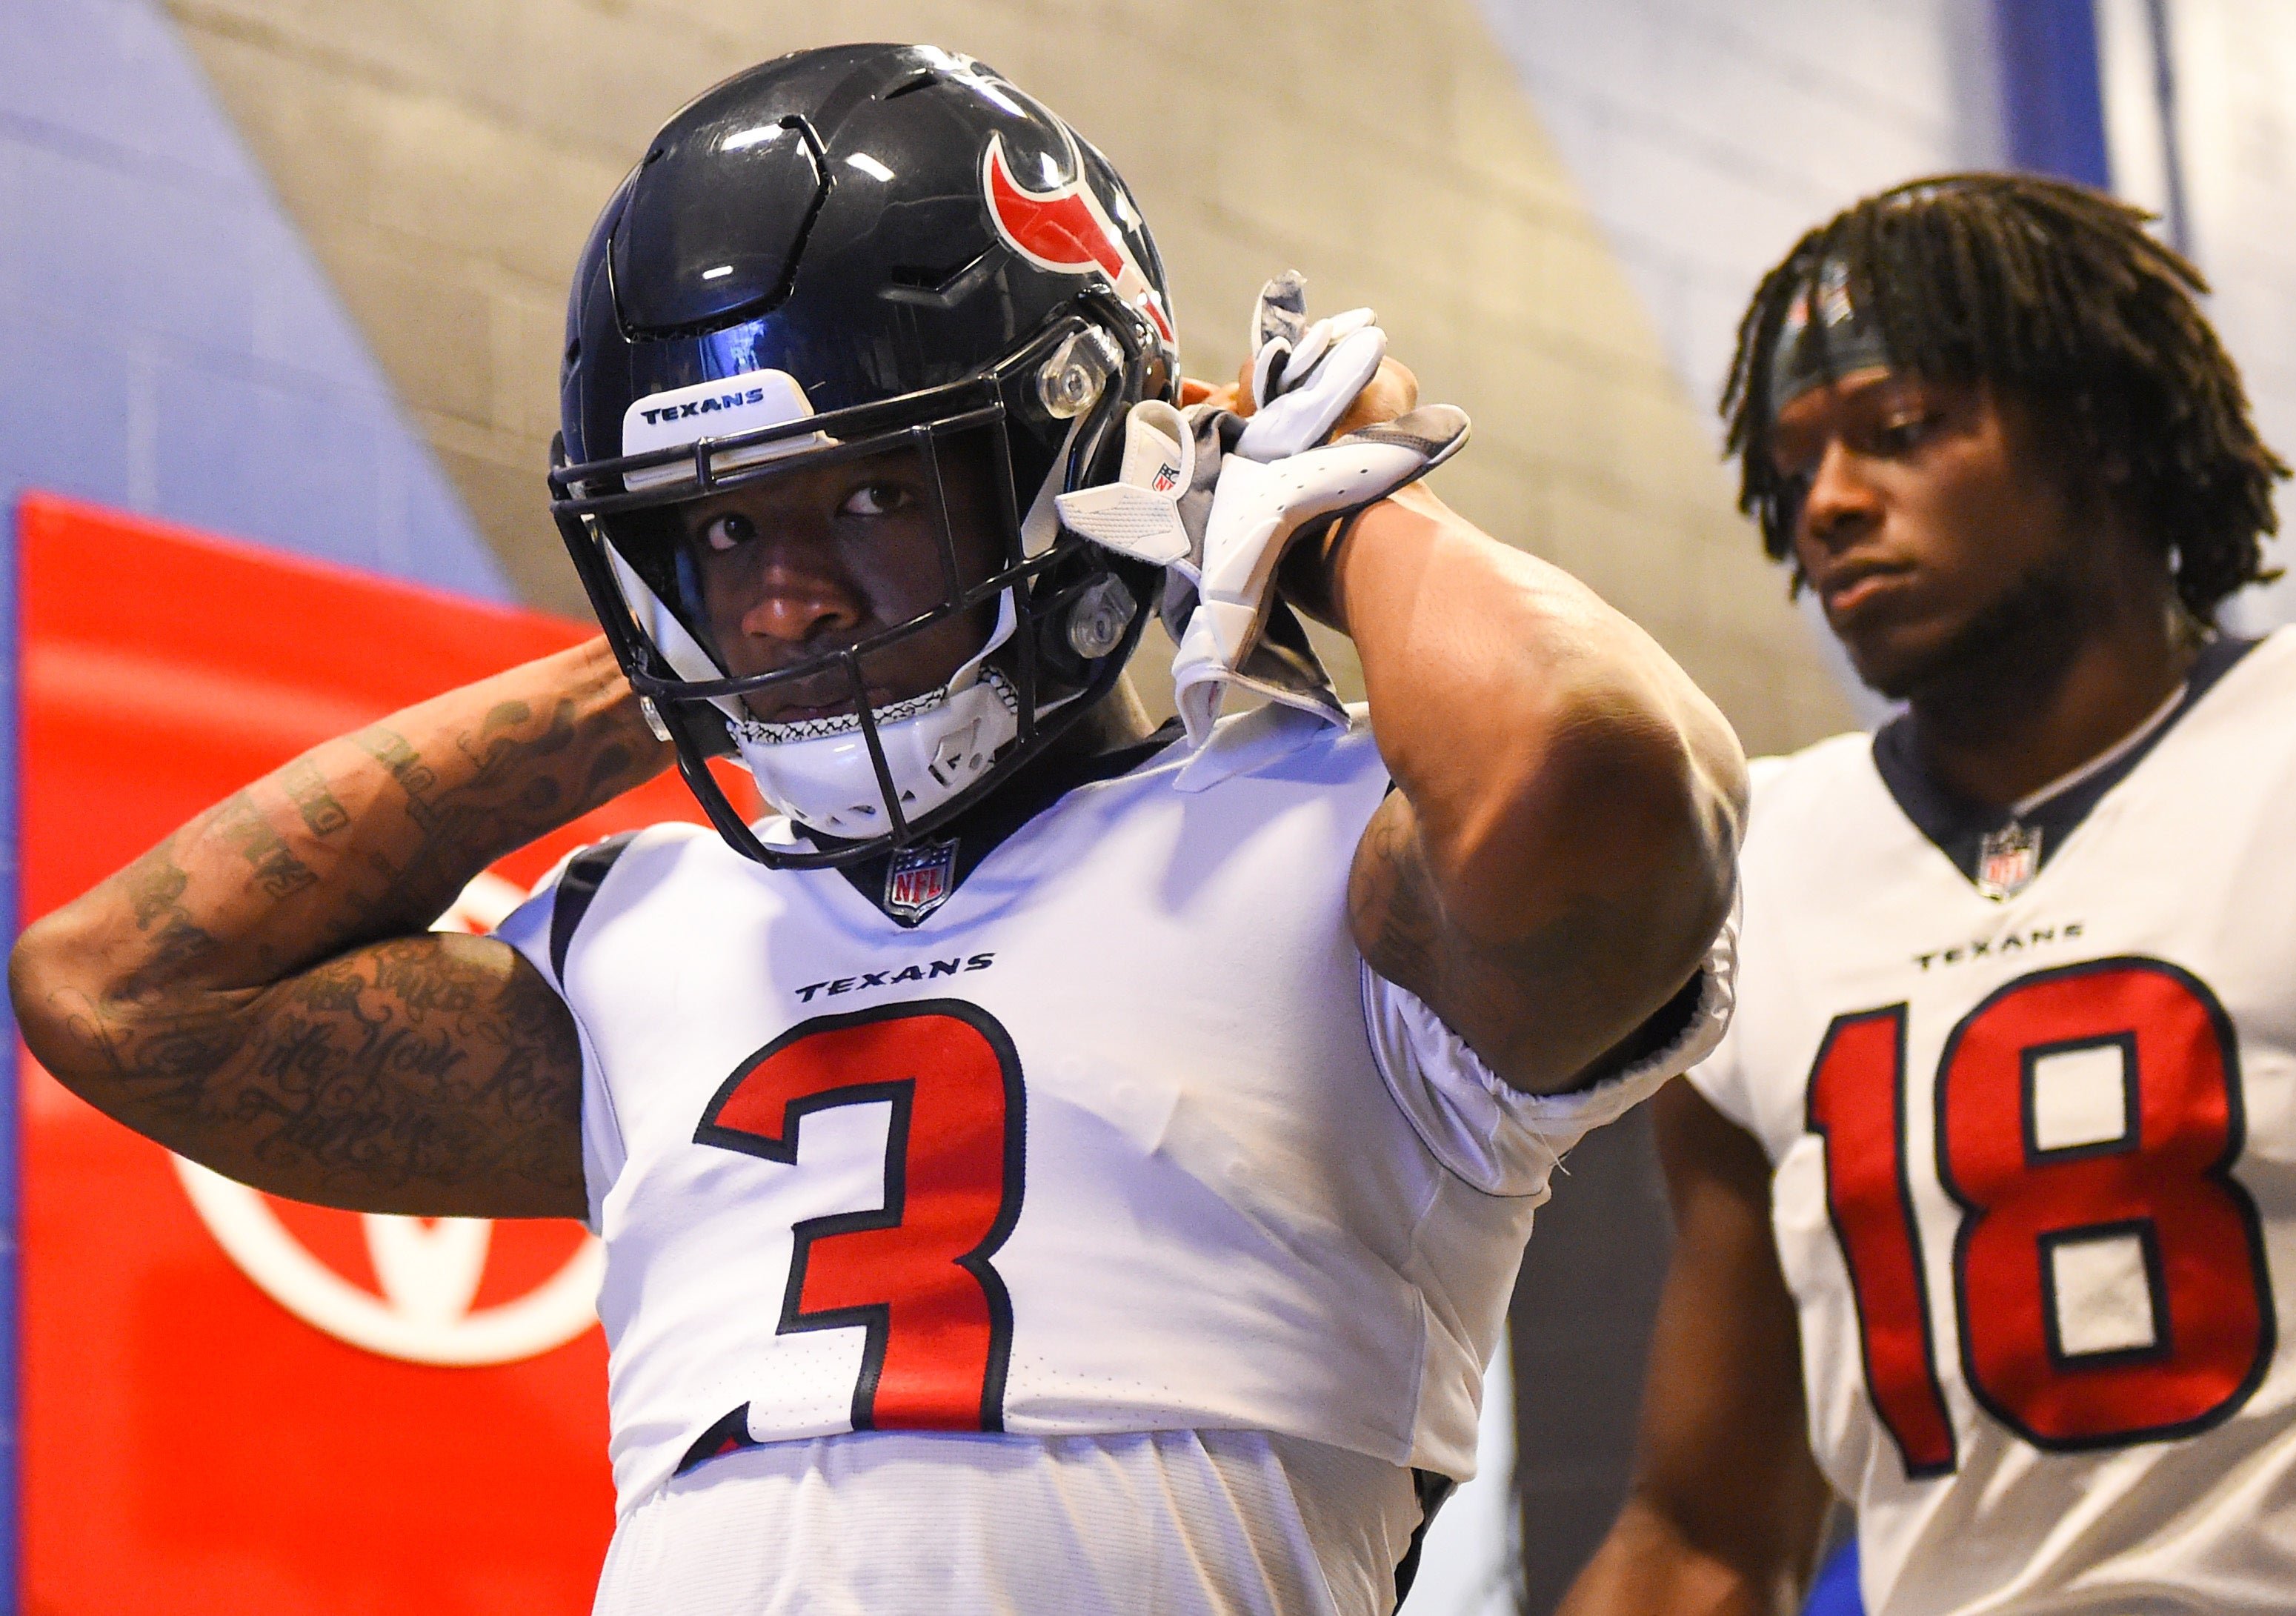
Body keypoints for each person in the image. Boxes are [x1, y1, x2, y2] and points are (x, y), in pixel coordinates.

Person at [10, 45, 1745, 1615]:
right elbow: (120, 990)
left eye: (864, 493)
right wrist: (664, 671)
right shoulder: (655, 929)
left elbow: (1600, 774)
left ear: (1074, 458)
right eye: (715, 533)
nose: (784, 600)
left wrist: (1337, 504)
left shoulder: (1336, 845)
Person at [1557, 172, 2296, 1616]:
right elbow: (1705, 1534)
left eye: (1900, 432)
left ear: (2098, 432)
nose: (1830, 500)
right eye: (1796, 463)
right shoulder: (1757, 860)